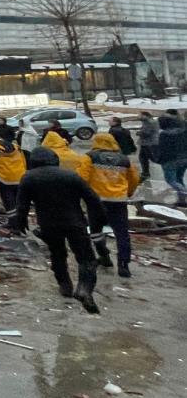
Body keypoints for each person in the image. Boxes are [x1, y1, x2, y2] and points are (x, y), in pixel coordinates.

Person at [13, 147, 107, 313]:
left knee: (57, 254)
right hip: (75, 223)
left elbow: (22, 205)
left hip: (49, 224)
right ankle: (84, 289)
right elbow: (93, 199)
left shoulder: (28, 177)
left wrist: (20, 223)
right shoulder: (70, 175)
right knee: (86, 258)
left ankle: (65, 286)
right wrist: (98, 221)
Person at [86, 132, 140, 278]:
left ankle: (104, 256)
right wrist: (128, 192)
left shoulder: (90, 157)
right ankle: (124, 265)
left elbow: (82, 177)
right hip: (118, 201)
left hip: (96, 200)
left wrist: (83, 196)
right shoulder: (124, 159)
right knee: (122, 233)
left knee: (96, 230)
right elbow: (134, 179)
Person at [0, 130, 27, 213]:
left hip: (4, 180)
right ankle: (22, 222)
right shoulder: (15, 146)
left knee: (9, 203)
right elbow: (24, 161)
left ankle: (12, 222)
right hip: (20, 177)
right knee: (19, 202)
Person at [158, 114, 187, 207]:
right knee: (179, 179)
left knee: (171, 180)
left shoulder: (164, 134)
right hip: (184, 158)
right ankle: (182, 200)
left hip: (170, 160)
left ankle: (184, 193)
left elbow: (163, 149)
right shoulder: (182, 131)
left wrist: (160, 159)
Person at [137, 111, 159, 179]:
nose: (138, 116)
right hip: (147, 143)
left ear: (145, 116)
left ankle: (168, 164)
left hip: (148, 143)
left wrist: (139, 133)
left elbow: (146, 133)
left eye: (140, 115)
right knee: (143, 158)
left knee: (152, 158)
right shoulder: (148, 121)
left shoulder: (149, 122)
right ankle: (145, 173)